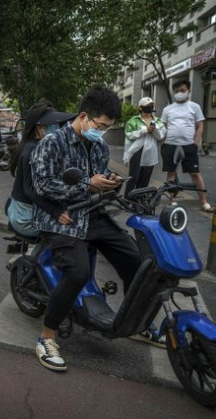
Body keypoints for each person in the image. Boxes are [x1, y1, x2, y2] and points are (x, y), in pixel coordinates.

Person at [30, 86, 159, 372]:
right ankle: (46, 337)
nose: (101, 132)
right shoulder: (52, 143)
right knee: (78, 273)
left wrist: (110, 182)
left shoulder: (99, 146)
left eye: (107, 128)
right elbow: (42, 185)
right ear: (84, 116)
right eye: (99, 126)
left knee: (138, 263)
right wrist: (87, 184)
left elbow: (97, 183)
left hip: (93, 214)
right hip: (62, 218)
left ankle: (137, 322)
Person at [7, 102, 75, 237]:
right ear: (39, 127)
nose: (58, 128)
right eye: (53, 125)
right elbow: (31, 190)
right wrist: (56, 212)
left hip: (27, 209)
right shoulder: (33, 149)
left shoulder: (39, 145)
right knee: (73, 232)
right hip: (25, 217)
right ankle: (41, 258)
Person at [160, 80, 214, 212]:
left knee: (195, 174)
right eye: (177, 91)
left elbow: (200, 126)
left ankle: (204, 202)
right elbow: (162, 127)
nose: (179, 93)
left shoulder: (194, 107)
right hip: (170, 145)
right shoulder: (168, 109)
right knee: (171, 174)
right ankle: (171, 201)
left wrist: (195, 144)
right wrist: (163, 143)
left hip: (189, 146)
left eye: (182, 90)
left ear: (188, 91)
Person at [123, 97, 167, 196]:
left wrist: (154, 130)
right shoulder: (133, 120)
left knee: (144, 181)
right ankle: (127, 200)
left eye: (152, 106)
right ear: (140, 108)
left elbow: (161, 136)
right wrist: (144, 130)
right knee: (133, 178)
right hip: (136, 154)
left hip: (150, 155)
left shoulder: (158, 121)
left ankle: (139, 202)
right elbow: (129, 135)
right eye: (147, 106)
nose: (150, 107)